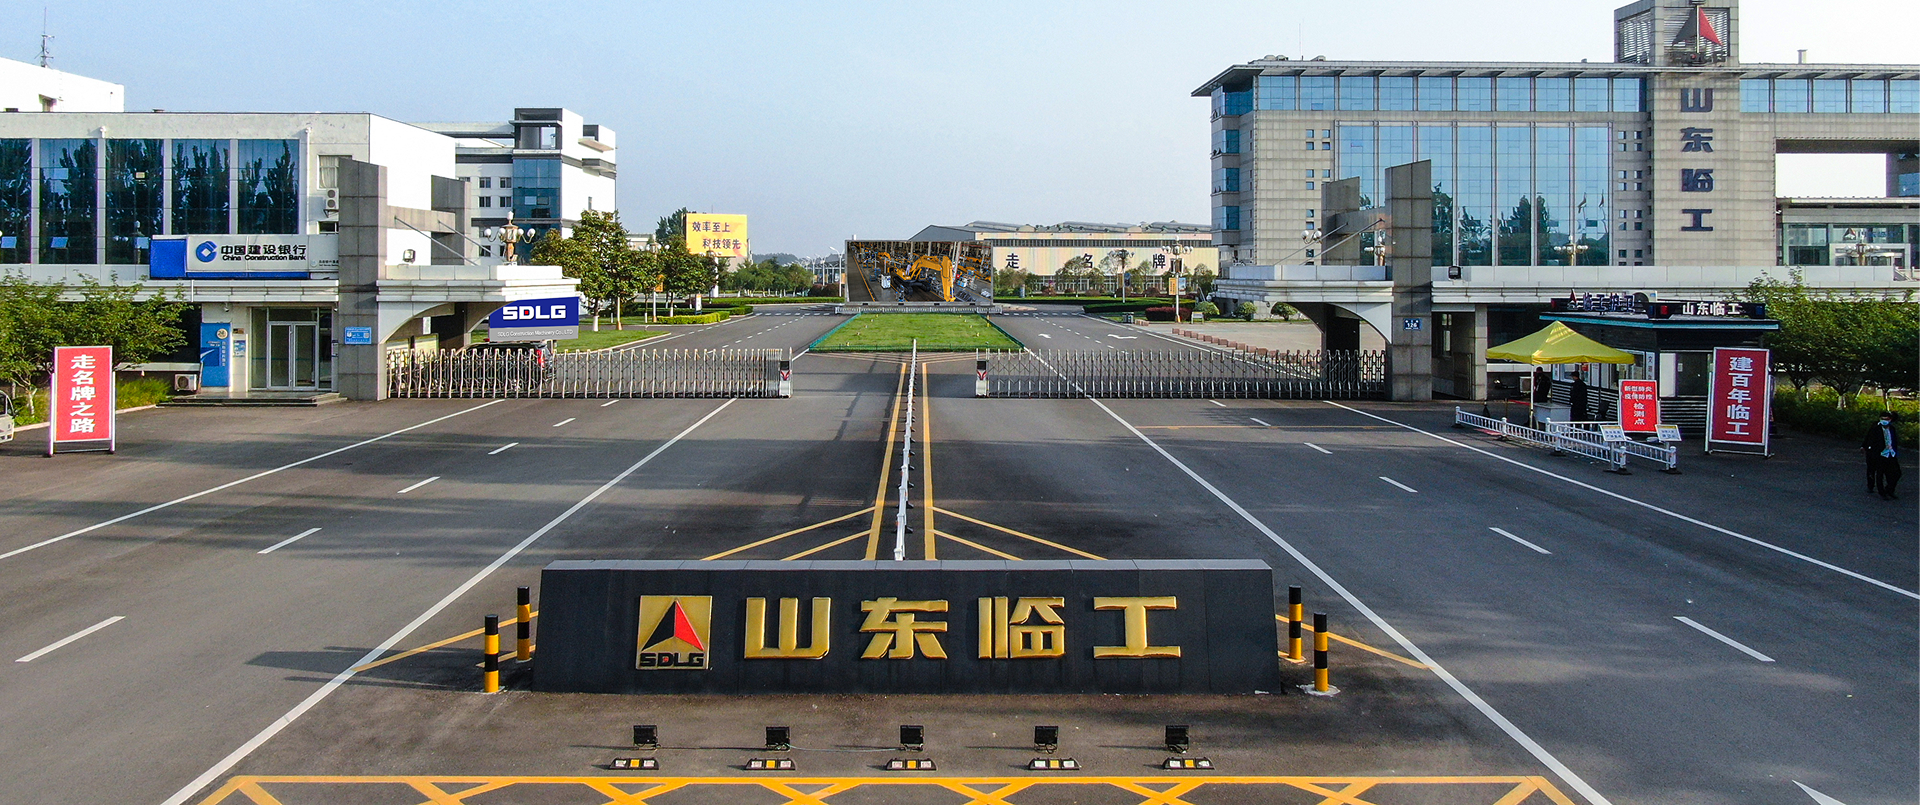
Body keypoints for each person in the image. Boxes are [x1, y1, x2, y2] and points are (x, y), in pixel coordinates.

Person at [1862, 412, 1902, 500]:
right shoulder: (1876, 428)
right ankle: (1882, 492)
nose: (1884, 421)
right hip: (1880, 454)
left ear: (1890, 420)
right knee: (1880, 474)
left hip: (1890, 453)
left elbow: (1894, 440)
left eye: (1886, 419)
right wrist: (1866, 448)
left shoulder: (1892, 429)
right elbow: (1869, 439)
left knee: (1897, 473)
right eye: (1882, 419)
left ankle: (1889, 489)